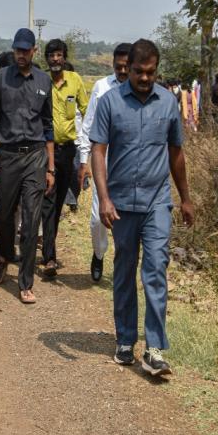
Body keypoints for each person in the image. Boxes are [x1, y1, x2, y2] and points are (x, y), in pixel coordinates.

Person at [90, 39, 194, 377]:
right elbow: (98, 152)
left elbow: (176, 153)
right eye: (139, 72)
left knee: (155, 269)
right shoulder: (109, 103)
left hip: (157, 201)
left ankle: (153, 349)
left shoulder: (168, 103)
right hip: (120, 203)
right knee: (124, 269)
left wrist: (186, 198)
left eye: (151, 72)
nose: (145, 78)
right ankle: (125, 340)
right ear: (127, 68)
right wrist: (104, 199)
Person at [0, 28, 54, 304]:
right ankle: (3, 255)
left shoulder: (43, 80)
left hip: (35, 156)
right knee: (3, 215)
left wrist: (50, 168)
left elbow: (48, 126)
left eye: (26, 50)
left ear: (34, 50)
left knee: (32, 217)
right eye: (17, 50)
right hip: (8, 156)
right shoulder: (1, 79)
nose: (21, 55)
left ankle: (26, 282)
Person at [77, 42, 131, 283]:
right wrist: (83, 160)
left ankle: (123, 265)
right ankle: (99, 253)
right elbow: (88, 125)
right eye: (118, 67)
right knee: (99, 218)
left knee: (126, 219)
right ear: (113, 65)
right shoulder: (101, 87)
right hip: (103, 160)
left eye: (126, 67)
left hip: (130, 163)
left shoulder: (140, 90)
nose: (122, 71)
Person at [40, 39, 88, 279]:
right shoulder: (41, 82)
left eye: (59, 55)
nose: (55, 59)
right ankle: (49, 257)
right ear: (46, 59)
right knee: (48, 201)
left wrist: (88, 152)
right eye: (51, 55)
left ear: (64, 57)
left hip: (68, 151)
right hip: (44, 152)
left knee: (58, 204)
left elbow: (86, 111)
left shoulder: (75, 81)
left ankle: (48, 246)